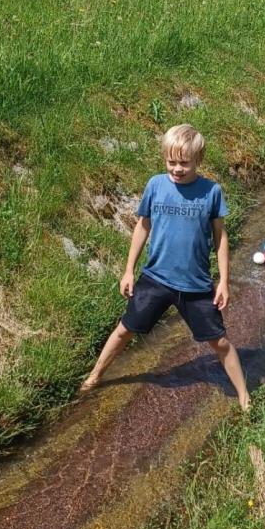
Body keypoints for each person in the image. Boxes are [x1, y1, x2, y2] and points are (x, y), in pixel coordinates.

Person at [80, 124, 250, 410]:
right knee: (124, 329)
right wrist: (128, 269)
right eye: (172, 162)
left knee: (219, 342)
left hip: (195, 285)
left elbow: (220, 237)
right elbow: (142, 226)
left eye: (184, 163)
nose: (177, 169)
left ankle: (244, 397)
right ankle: (94, 377)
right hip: (156, 278)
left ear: (199, 161)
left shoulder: (212, 192)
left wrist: (223, 281)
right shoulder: (155, 185)